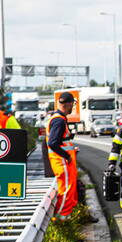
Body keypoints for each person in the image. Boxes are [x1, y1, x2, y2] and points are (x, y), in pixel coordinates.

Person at [45, 92, 79, 220]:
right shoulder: (59, 121)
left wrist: (71, 150)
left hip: (61, 161)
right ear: (69, 104)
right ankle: (61, 219)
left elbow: (60, 141)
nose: (73, 107)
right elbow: (53, 143)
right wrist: (67, 156)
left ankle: (66, 217)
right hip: (62, 161)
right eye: (72, 104)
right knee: (66, 191)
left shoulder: (58, 118)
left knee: (68, 190)